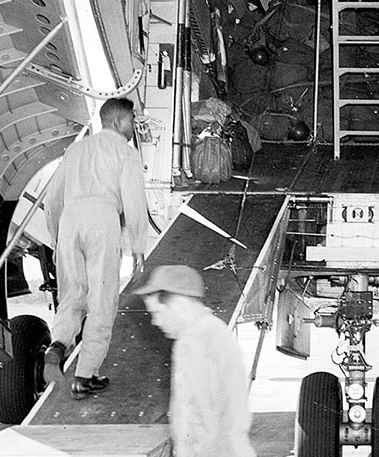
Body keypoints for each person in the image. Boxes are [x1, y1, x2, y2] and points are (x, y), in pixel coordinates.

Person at [42, 97, 149, 400]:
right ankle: (85, 376)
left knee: (72, 295)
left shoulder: (75, 150)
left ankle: (58, 343)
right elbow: (133, 200)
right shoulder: (125, 153)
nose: (133, 126)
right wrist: (138, 245)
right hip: (102, 218)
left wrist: (56, 237)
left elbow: (52, 199)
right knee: (101, 299)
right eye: (131, 120)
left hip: (69, 219)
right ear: (117, 121)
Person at [132, 265, 256, 457]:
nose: (155, 322)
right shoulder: (216, 330)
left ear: (179, 305)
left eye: (157, 313)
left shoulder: (192, 342)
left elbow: (196, 418)